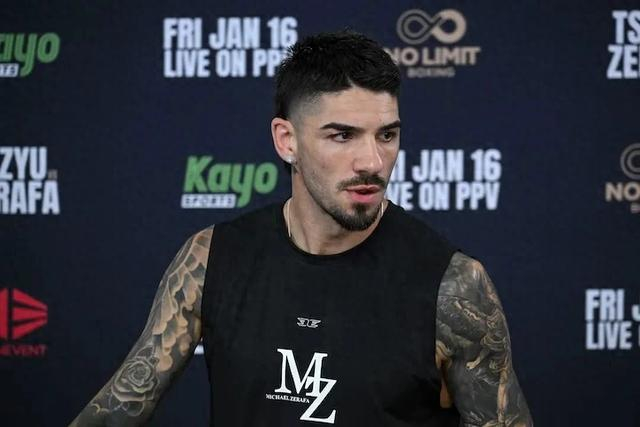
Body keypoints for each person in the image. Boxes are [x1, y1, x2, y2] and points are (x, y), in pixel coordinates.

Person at [70, 31, 533, 426]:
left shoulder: (455, 287)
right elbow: (117, 409)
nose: (372, 162)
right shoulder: (211, 260)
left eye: (387, 135)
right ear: (286, 140)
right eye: (342, 135)